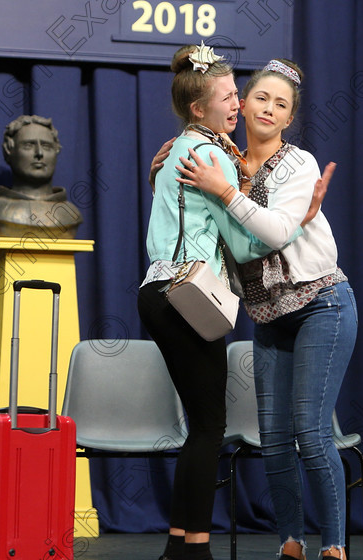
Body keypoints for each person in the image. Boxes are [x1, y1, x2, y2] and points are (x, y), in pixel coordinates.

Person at [138, 44, 330, 560]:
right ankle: (195, 550)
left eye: (235, 96)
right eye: (227, 98)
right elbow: (246, 245)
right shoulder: (215, 154)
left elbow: (170, 204)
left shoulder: (178, 147)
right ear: (200, 108)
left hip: (155, 292)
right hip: (188, 294)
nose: (236, 105)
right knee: (208, 428)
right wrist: (296, 222)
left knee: (197, 426)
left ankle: (179, 547)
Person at [175, 59, 357, 560]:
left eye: (281, 105)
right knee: (275, 438)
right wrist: (168, 165)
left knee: (312, 431)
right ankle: (291, 544)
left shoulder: (299, 164)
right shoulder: (225, 161)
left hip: (322, 304)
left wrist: (227, 192)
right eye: (260, 98)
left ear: (289, 118)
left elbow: (276, 232)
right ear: (241, 103)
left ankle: (335, 547)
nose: (269, 110)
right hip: (270, 316)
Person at [0, 115, 82, 238]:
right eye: (28, 145)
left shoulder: (70, 214)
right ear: (8, 151)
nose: (39, 153)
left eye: (46, 146)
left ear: (56, 151)